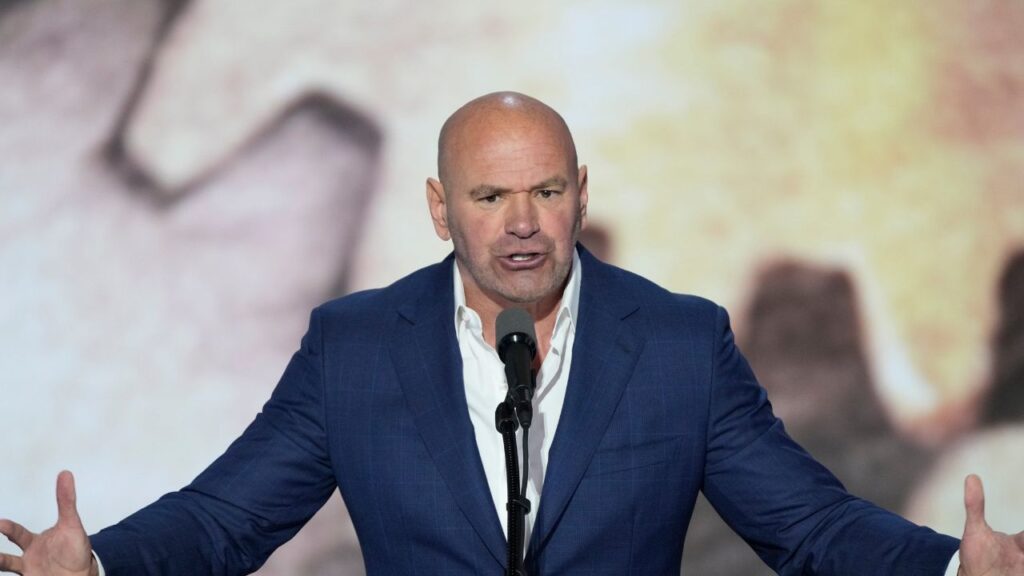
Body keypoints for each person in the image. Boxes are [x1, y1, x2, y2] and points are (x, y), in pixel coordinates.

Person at [2, 92, 1023, 575]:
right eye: (490, 197)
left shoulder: (678, 345)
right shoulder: (356, 348)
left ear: (581, 196)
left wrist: (949, 569)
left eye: (545, 191)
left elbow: (809, 526)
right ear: (441, 209)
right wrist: (100, 567)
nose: (522, 223)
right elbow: (227, 518)